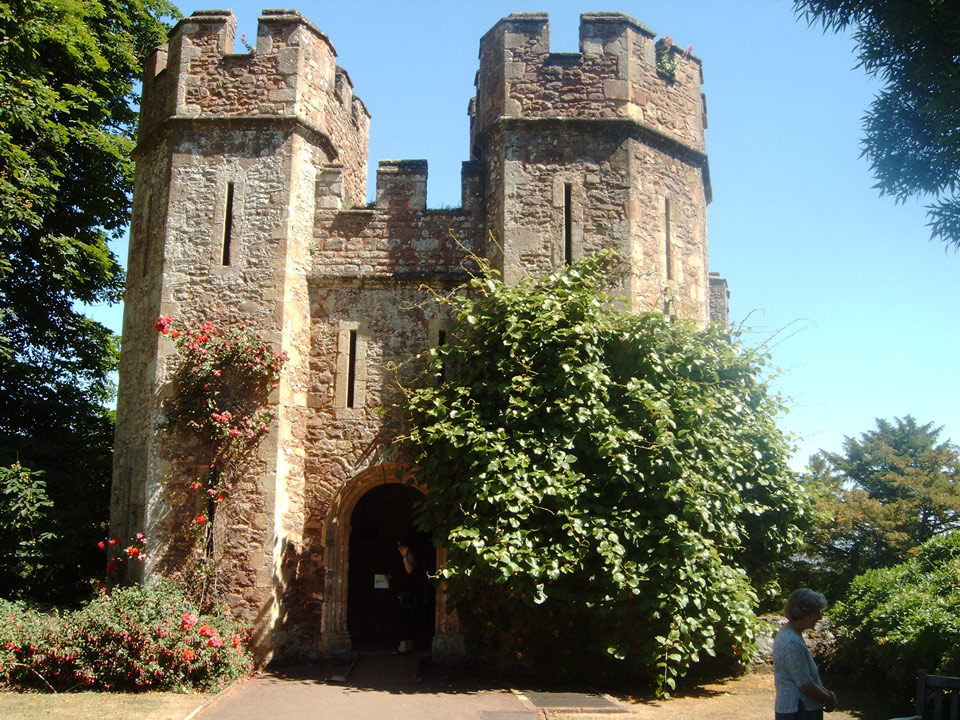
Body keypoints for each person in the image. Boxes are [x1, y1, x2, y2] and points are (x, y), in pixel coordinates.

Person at [773, 588, 838, 720]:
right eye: (816, 613)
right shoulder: (791, 641)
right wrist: (828, 699)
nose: (819, 617)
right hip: (798, 710)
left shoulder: (792, 635)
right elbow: (805, 685)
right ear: (804, 613)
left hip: (798, 708)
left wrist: (826, 692)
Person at [394, 536, 423, 654]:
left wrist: (405, 556)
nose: (399, 548)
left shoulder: (409, 557)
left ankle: (404, 645)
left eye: (401, 545)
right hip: (402, 592)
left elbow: (409, 571)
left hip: (408, 594)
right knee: (404, 618)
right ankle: (407, 644)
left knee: (405, 618)